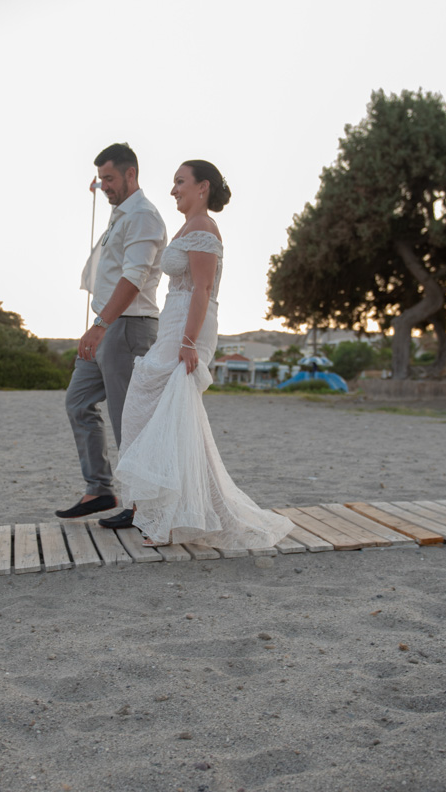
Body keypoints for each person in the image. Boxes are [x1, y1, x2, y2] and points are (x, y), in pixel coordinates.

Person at [113, 160, 294, 548]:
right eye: (173, 183)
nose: (174, 189)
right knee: (157, 416)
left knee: (169, 415)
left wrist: (189, 342)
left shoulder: (204, 228)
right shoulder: (186, 228)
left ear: (203, 187)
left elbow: (203, 288)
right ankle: (173, 515)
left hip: (188, 329)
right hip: (174, 325)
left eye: (180, 182)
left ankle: (171, 523)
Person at [57, 143, 167, 520]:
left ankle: (141, 503)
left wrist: (101, 325)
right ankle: (99, 490)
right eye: (101, 178)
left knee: (128, 417)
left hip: (127, 328)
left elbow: (134, 278)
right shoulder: (120, 216)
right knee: (78, 402)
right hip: (106, 326)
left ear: (130, 174)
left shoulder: (143, 217)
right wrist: (99, 324)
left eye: (109, 178)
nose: (104, 185)